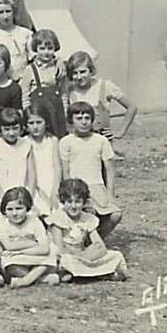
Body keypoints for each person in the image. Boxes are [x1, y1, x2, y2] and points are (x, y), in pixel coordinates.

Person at [60, 101, 122, 239]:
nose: (83, 122)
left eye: (87, 118)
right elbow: (65, 171)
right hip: (76, 188)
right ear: (71, 120)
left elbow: (110, 170)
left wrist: (110, 194)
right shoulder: (66, 142)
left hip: (97, 188)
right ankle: (84, 242)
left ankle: (97, 239)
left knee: (116, 214)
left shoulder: (101, 141)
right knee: (89, 213)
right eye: (79, 118)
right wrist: (68, 193)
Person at [49, 178, 128, 282]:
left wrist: (86, 255)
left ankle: (80, 274)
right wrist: (81, 255)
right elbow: (59, 248)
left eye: (78, 202)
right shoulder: (58, 218)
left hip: (84, 256)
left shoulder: (88, 219)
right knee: (64, 261)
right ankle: (99, 273)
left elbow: (100, 246)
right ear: (63, 201)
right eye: (69, 202)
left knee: (116, 255)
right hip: (67, 255)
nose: (73, 206)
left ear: (84, 202)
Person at [0, 186, 59, 288]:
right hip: (14, 259)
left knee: (52, 252)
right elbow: (9, 246)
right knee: (10, 265)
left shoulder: (35, 221)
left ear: (27, 208)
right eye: (10, 209)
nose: (14, 213)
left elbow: (45, 249)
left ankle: (26, 281)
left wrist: (20, 251)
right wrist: (32, 243)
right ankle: (42, 278)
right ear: (4, 210)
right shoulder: (2, 222)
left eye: (19, 208)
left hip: (33, 256)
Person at [66, 51, 138, 139]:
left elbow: (132, 107)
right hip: (79, 142)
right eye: (75, 73)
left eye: (83, 72)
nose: (79, 76)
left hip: (102, 141)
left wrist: (121, 131)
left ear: (91, 70)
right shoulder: (69, 90)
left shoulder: (105, 86)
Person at [20, 28, 69, 137]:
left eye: (50, 48)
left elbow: (63, 92)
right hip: (38, 116)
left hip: (56, 114)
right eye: (42, 48)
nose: (46, 52)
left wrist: (64, 111)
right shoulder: (30, 69)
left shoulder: (59, 68)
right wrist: (28, 114)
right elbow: (24, 95)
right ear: (36, 49)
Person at [0, 107, 37, 209]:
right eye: (6, 129)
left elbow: (32, 174)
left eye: (15, 128)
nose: (11, 133)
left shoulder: (27, 144)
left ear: (21, 128)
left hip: (23, 192)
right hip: (1, 193)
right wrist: (4, 198)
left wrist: (29, 197)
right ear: (0, 128)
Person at [0, 0, 34, 82]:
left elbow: (35, 57)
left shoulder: (25, 33)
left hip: (22, 80)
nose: (5, 16)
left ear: (14, 12)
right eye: (1, 12)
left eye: (8, 11)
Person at [25, 101, 62, 219]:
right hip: (33, 185)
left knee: (58, 211)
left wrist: (54, 191)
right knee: (38, 210)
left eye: (39, 122)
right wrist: (42, 194)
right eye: (31, 123)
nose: (35, 127)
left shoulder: (53, 140)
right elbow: (30, 173)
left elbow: (57, 167)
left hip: (52, 183)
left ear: (46, 122)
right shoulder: (25, 142)